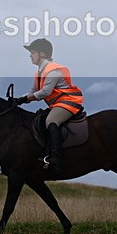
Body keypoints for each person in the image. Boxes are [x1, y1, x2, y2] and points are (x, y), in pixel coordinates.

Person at [14, 38, 84, 172]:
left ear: (42, 54)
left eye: (32, 53)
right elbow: (33, 92)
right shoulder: (39, 73)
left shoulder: (53, 71)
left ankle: (55, 159)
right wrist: (19, 100)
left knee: (51, 121)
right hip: (58, 104)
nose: (30, 56)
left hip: (69, 101)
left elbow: (45, 92)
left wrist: (24, 99)